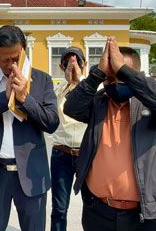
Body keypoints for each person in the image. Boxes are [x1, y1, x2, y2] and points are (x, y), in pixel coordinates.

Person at [64, 37, 156, 231]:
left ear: (136, 75)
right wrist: (97, 74)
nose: (115, 83)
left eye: (123, 76)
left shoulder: (151, 105)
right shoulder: (99, 103)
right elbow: (71, 108)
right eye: (110, 78)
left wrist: (125, 71)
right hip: (99, 213)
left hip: (147, 216)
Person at [0, 25, 59, 231]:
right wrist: (2, 99)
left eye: (15, 58)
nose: (11, 65)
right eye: (4, 60)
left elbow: (51, 123)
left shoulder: (42, 80)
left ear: (24, 50)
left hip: (31, 173)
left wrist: (25, 99)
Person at [50, 46, 87, 231]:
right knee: (59, 208)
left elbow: (91, 100)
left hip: (85, 153)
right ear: (61, 66)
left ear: (84, 64)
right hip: (61, 153)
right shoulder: (57, 91)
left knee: (92, 206)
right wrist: (68, 82)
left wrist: (79, 79)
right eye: (67, 63)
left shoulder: (93, 88)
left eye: (76, 61)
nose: (72, 66)